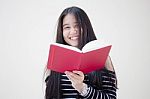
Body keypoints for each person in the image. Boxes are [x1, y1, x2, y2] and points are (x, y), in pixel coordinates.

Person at [45, 6, 117, 99]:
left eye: (77, 25)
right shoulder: (55, 58)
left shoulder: (103, 57)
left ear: (86, 27)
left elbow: (111, 97)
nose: (73, 31)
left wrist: (82, 88)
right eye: (67, 27)